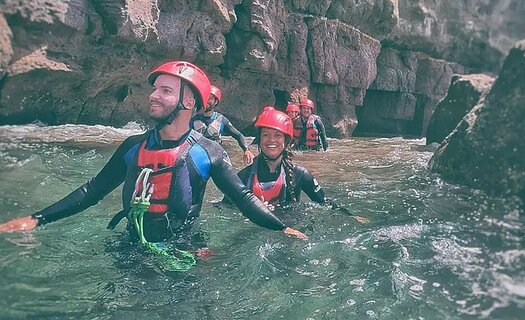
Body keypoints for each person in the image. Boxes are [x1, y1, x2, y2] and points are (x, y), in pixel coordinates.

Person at [0, 61, 306, 244]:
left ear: (188, 103)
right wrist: (37, 219)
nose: (153, 95)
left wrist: (283, 227)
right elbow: (93, 190)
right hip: (130, 248)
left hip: (181, 253)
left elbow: (243, 198)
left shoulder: (208, 153)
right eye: (155, 88)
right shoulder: (133, 146)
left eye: (166, 91)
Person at [240, 108, 366, 223]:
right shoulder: (244, 176)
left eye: (277, 135)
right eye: (266, 135)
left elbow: (324, 202)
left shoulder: (299, 174)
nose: (271, 140)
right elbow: (225, 208)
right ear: (260, 139)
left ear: (286, 141)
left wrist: (350, 216)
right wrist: (253, 208)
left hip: (290, 229)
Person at [192, 85, 254, 165]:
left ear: (216, 102)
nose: (207, 100)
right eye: (205, 97)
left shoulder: (221, 120)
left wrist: (246, 150)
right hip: (196, 156)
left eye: (210, 98)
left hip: (215, 157)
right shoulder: (192, 118)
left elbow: (238, 135)